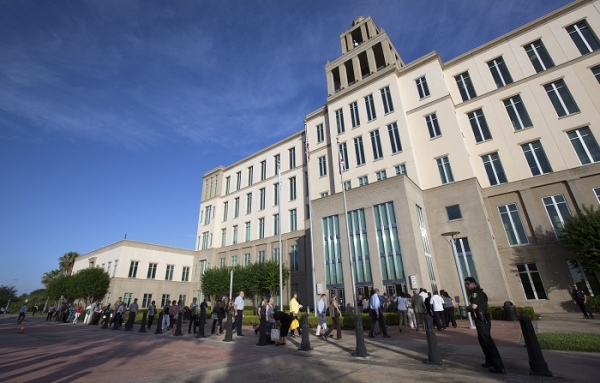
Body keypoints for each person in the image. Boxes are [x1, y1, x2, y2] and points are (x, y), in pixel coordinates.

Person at [465, 277, 505, 374]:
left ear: (474, 284)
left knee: (487, 341)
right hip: (482, 319)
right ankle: (490, 361)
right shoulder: (481, 293)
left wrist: (467, 307)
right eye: (466, 284)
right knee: (483, 341)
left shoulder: (475, 293)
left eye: (468, 283)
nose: (467, 286)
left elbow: (474, 306)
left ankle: (499, 366)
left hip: (482, 319)